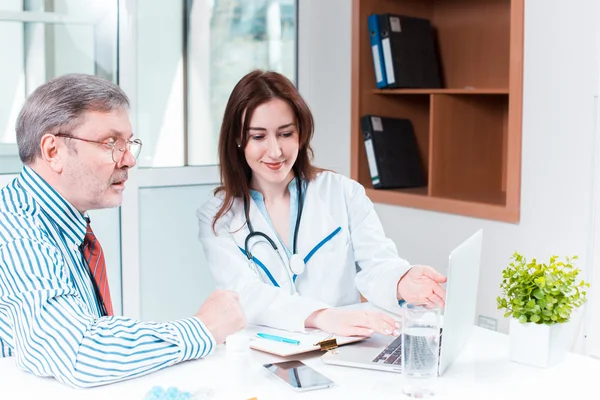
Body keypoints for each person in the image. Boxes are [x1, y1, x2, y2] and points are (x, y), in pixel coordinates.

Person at [0, 74, 245, 388]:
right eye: (110, 143)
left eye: (128, 143)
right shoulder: (18, 232)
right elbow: (79, 352)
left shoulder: (57, 221)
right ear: (52, 151)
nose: (129, 159)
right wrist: (203, 329)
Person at [197, 70, 447, 337]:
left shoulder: (342, 193)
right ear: (238, 139)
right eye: (258, 137)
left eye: (285, 134)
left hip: (341, 345)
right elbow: (244, 294)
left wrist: (402, 280)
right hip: (266, 352)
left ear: (301, 133)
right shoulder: (217, 218)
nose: (275, 151)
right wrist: (322, 317)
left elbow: (378, 264)